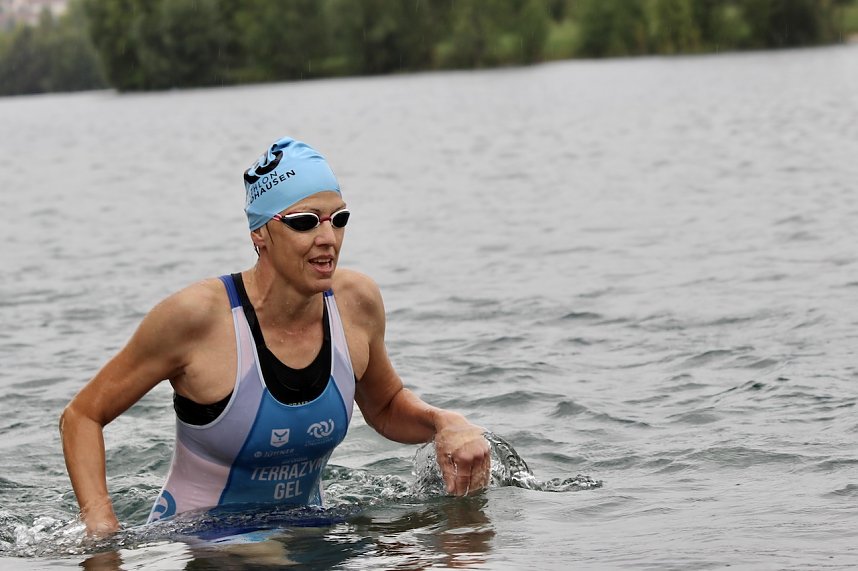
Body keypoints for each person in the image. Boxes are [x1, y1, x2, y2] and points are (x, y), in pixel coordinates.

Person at [60, 136, 491, 537]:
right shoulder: (197, 318)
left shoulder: (356, 302)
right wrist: (103, 532)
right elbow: (82, 416)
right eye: (305, 222)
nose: (328, 238)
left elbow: (385, 404)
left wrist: (444, 422)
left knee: (450, 549)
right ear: (260, 233)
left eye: (338, 219)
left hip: (311, 534)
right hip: (201, 540)